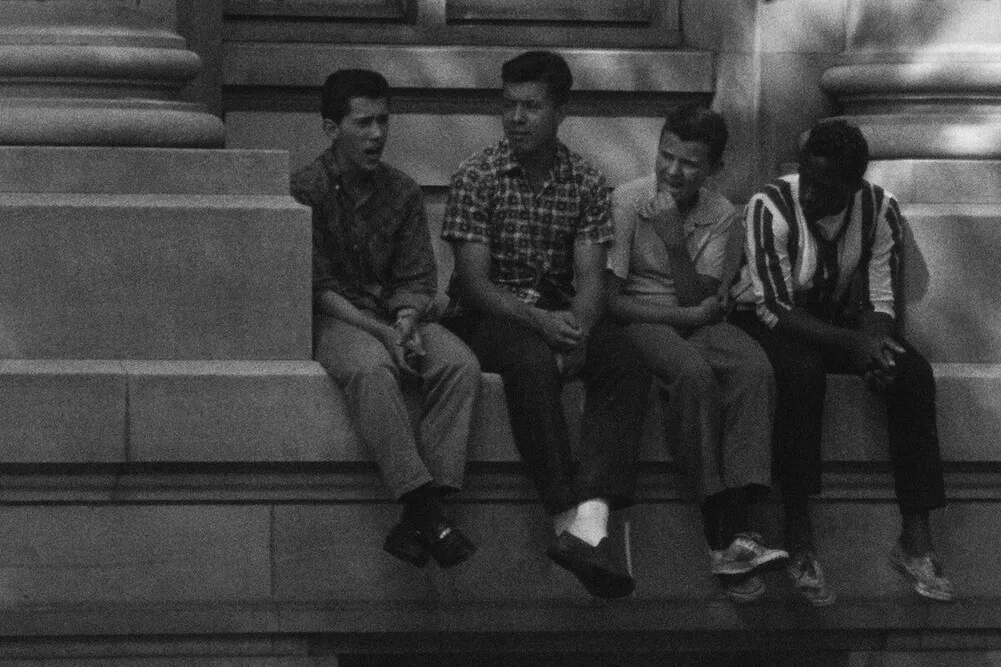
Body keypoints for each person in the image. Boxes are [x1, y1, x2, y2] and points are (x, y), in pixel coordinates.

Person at [440, 50, 651, 599]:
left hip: (561, 310)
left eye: (531, 107)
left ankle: (592, 524)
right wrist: (543, 324)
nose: (516, 118)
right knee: (531, 362)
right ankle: (563, 517)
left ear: (561, 111)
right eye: (508, 105)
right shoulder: (477, 176)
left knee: (625, 362)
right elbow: (473, 284)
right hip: (490, 316)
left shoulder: (586, 180)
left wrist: (576, 332)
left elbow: (591, 281)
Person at [731, 119, 954, 604]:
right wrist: (855, 345)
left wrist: (875, 348)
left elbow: (880, 299)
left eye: (826, 187)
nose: (811, 194)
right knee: (801, 375)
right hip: (770, 322)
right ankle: (798, 533)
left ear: (854, 186)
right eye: (807, 179)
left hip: (836, 322)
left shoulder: (878, 208)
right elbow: (773, 307)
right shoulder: (769, 206)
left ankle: (915, 538)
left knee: (911, 373)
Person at [291, 69, 480, 571]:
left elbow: (417, 276)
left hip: (394, 316)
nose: (377, 134)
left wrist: (405, 320)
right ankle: (425, 509)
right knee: (372, 370)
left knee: (459, 364)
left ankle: (420, 518)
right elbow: (317, 287)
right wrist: (380, 332)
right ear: (331, 129)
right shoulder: (306, 191)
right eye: (363, 123)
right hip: (338, 318)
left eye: (383, 121)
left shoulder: (402, 190)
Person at [606, 104, 787, 604]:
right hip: (642, 317)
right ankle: (717, 524)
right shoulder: (627, 201)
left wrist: (675, 244)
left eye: (689, 163)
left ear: (713, 169)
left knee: (753, 367)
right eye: (665, 156)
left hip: (695, 316)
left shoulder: (722, 214)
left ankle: (744, 523)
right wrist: (686, 308)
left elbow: (695, 298)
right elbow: (612, 303)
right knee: (693, 375)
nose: (672, 171)